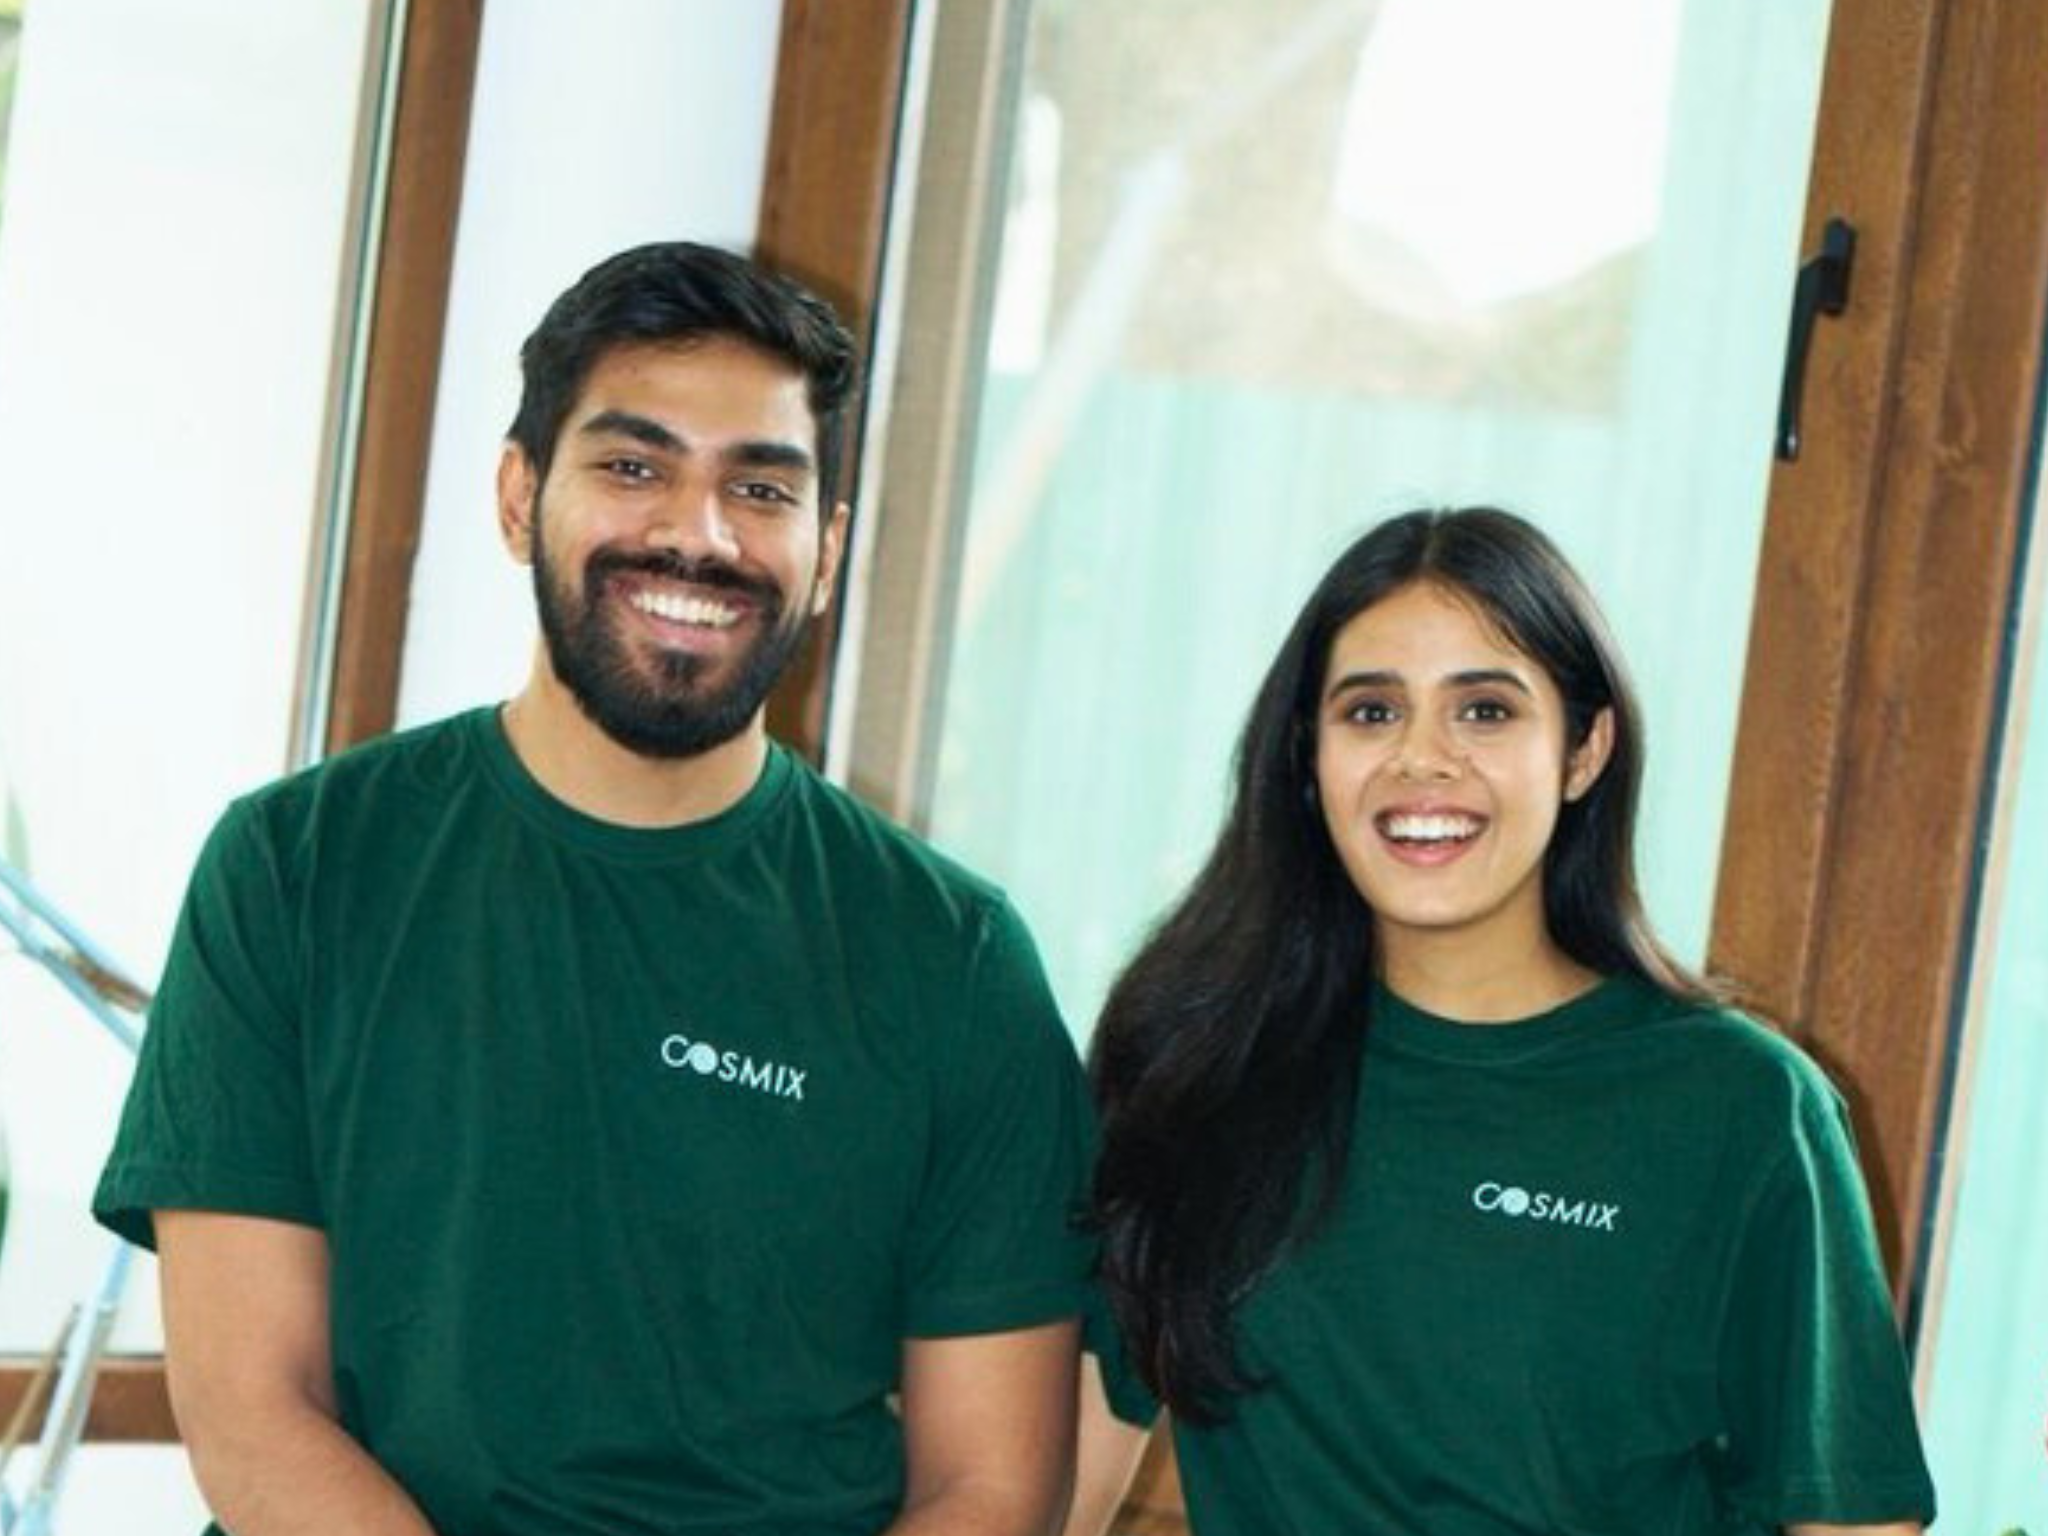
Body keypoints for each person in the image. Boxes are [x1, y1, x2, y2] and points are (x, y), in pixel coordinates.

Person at [93, 241, 1092, 1536]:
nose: (699, 532)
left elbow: (991, 1488)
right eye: (634, 467)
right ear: (520, 497)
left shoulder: (951, 957)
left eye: (763, 487)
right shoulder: (295, 869)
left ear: (828, 550)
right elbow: (249, 1412)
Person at [1063, 508, 1936, 1535]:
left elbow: (1850, 1524)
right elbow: (1057, 1480)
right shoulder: (1193, 1066)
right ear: (1307, 759)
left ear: (1582, 749)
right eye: (1370, 713)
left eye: (1483, 711)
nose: (1421, 762)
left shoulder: (1739, 1110)